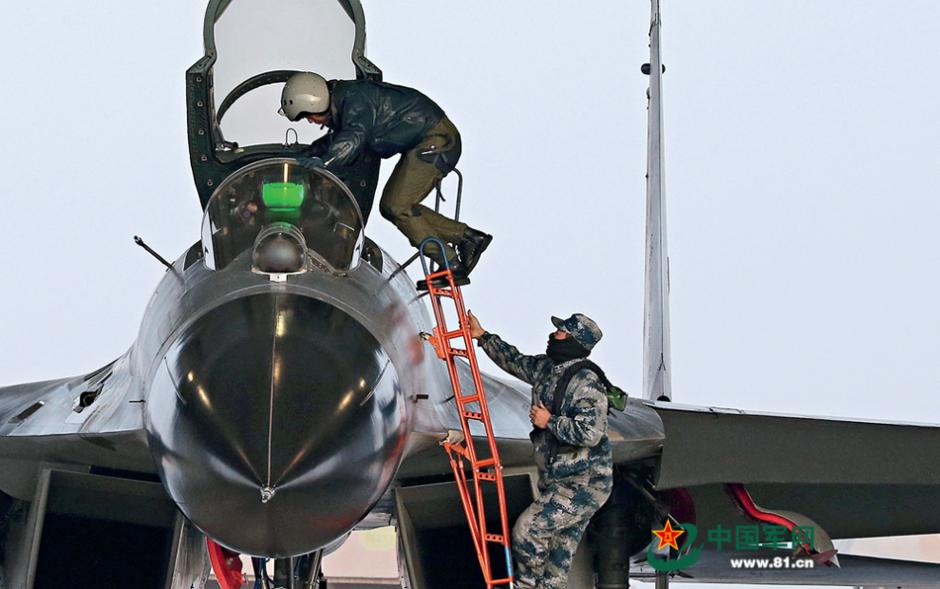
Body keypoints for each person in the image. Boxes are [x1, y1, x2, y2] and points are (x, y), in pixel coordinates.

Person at [279, 72, 491, 284]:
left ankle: (452, 263)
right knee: (393, 205)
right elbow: (338, 138)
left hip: (436, 141)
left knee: (397, 206)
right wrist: (310, 154)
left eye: (308, 115)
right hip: (429, 140)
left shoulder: (355, 99)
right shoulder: (347, 100)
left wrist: (326, 161)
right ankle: (468, 238)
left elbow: (354, 137)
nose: (310, 121)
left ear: (315, 102)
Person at [467, 311, 613, 589]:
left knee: (528, 530)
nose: (553, 335)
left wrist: (550, 421)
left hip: (583, 484)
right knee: (557, 558)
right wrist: (483, 337)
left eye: (560, 332)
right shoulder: (548, 369)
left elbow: (590, 433)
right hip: (559, 481)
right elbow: (516, 361)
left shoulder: (587, 383)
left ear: (573, 341)